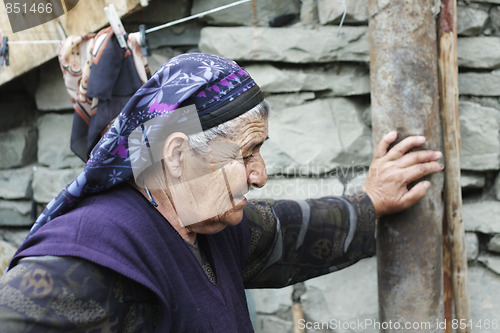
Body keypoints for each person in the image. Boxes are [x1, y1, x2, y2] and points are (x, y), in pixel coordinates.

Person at [0, 53, 443, 332]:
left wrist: (371, 200)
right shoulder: (88, 256)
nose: (260, 175)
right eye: (247, 153)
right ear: (175, 155)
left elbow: (289, 232)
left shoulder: (210, 226)